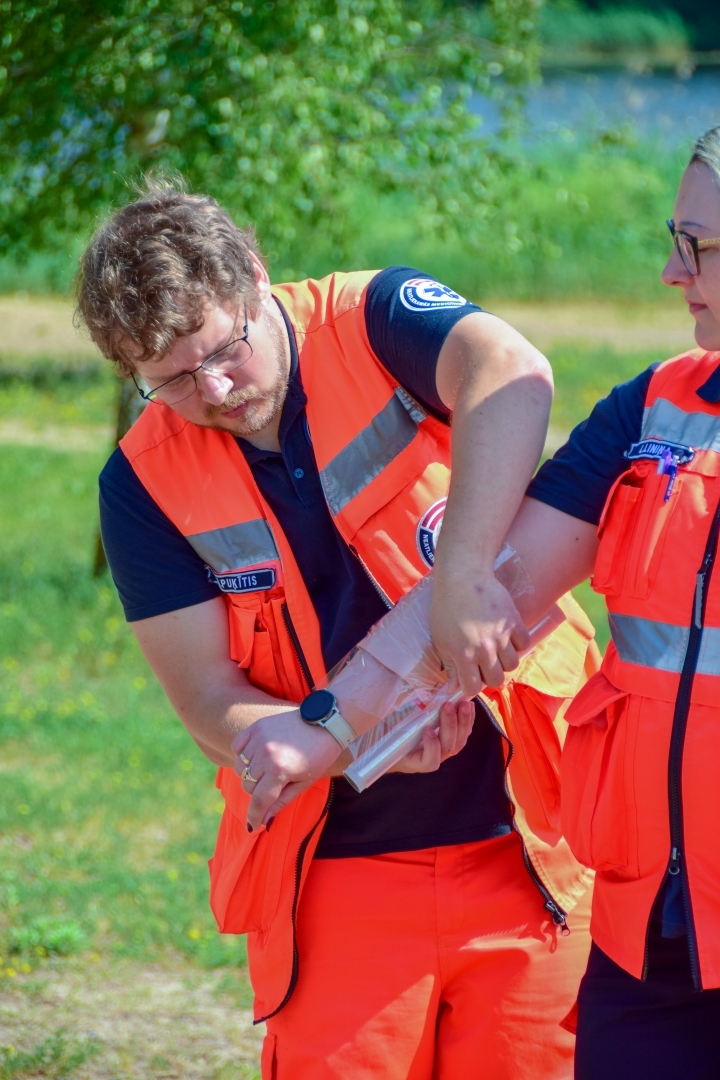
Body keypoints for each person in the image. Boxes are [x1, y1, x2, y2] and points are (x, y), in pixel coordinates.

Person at [79, 179, 598, 1079]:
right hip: (341, 871)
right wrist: (309, 741)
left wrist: (464, 573)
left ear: (255, 277)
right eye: (167, 380)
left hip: (533, 845)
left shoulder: (374, 317)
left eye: (224, 350)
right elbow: (207, 696)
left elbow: (512, 374)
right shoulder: (140, 484)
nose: (213, 389)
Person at [484, 125, 720, 1079]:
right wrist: (341, 718)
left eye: (699, 244)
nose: (672, 271)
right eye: (676, 237)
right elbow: (501, 590)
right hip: (650, 930)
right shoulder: (656, 405)